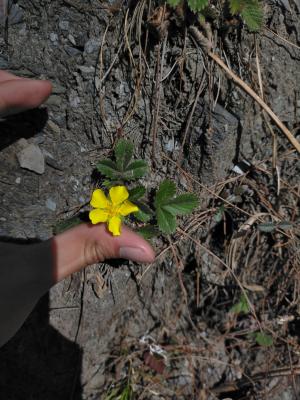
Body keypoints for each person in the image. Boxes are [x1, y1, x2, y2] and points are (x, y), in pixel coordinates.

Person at [0, 70, 155, 347]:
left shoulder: (120, 205)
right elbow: (106, 211)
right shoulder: (106, 207)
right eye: (111, 210)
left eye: (115, 211)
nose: (112, 213)